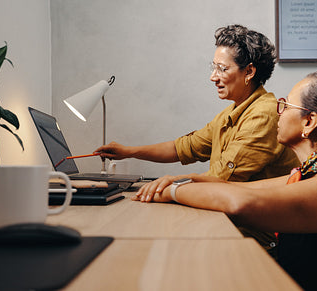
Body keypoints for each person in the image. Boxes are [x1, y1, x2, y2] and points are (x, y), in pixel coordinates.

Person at [133, 69, 317, 291]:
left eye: (285, 105)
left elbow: (242, 204)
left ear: (309, 122)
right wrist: (187, 179)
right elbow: (239, 189)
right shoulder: (307, 173)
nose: (278, 112)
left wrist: (173, 191)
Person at [95, 24, 298, 253]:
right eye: (213, 68)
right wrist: (128, 151)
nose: (213, 77)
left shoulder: (264, 113)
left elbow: (221, 177)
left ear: (249, 72)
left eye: (222, 69)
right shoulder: (231, 112)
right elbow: (184, 147)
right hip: (230, 222)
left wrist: (173, 184)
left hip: (259, 237)